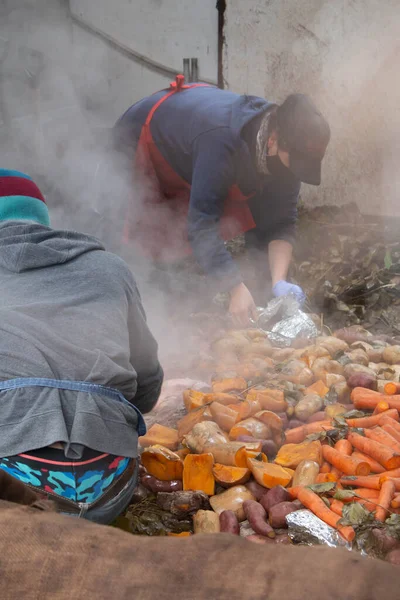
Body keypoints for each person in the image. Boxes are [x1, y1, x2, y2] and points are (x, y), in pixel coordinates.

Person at [0, 169, 163, 524]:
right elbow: (147, 387)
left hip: (13, 491)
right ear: (42, 219)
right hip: (107, 484)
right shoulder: (109, 267)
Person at [114, 75, 331, 326]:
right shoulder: (222, 142)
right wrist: (234, 287)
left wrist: (278, 281)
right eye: (295, 162)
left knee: (259, 210)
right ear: (273, 140)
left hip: (194, 148)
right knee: (132, 240)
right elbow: (201, 225)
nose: (297, 173)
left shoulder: (286, 151)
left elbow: (282, 222)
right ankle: (141, 309)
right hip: (144, 134)